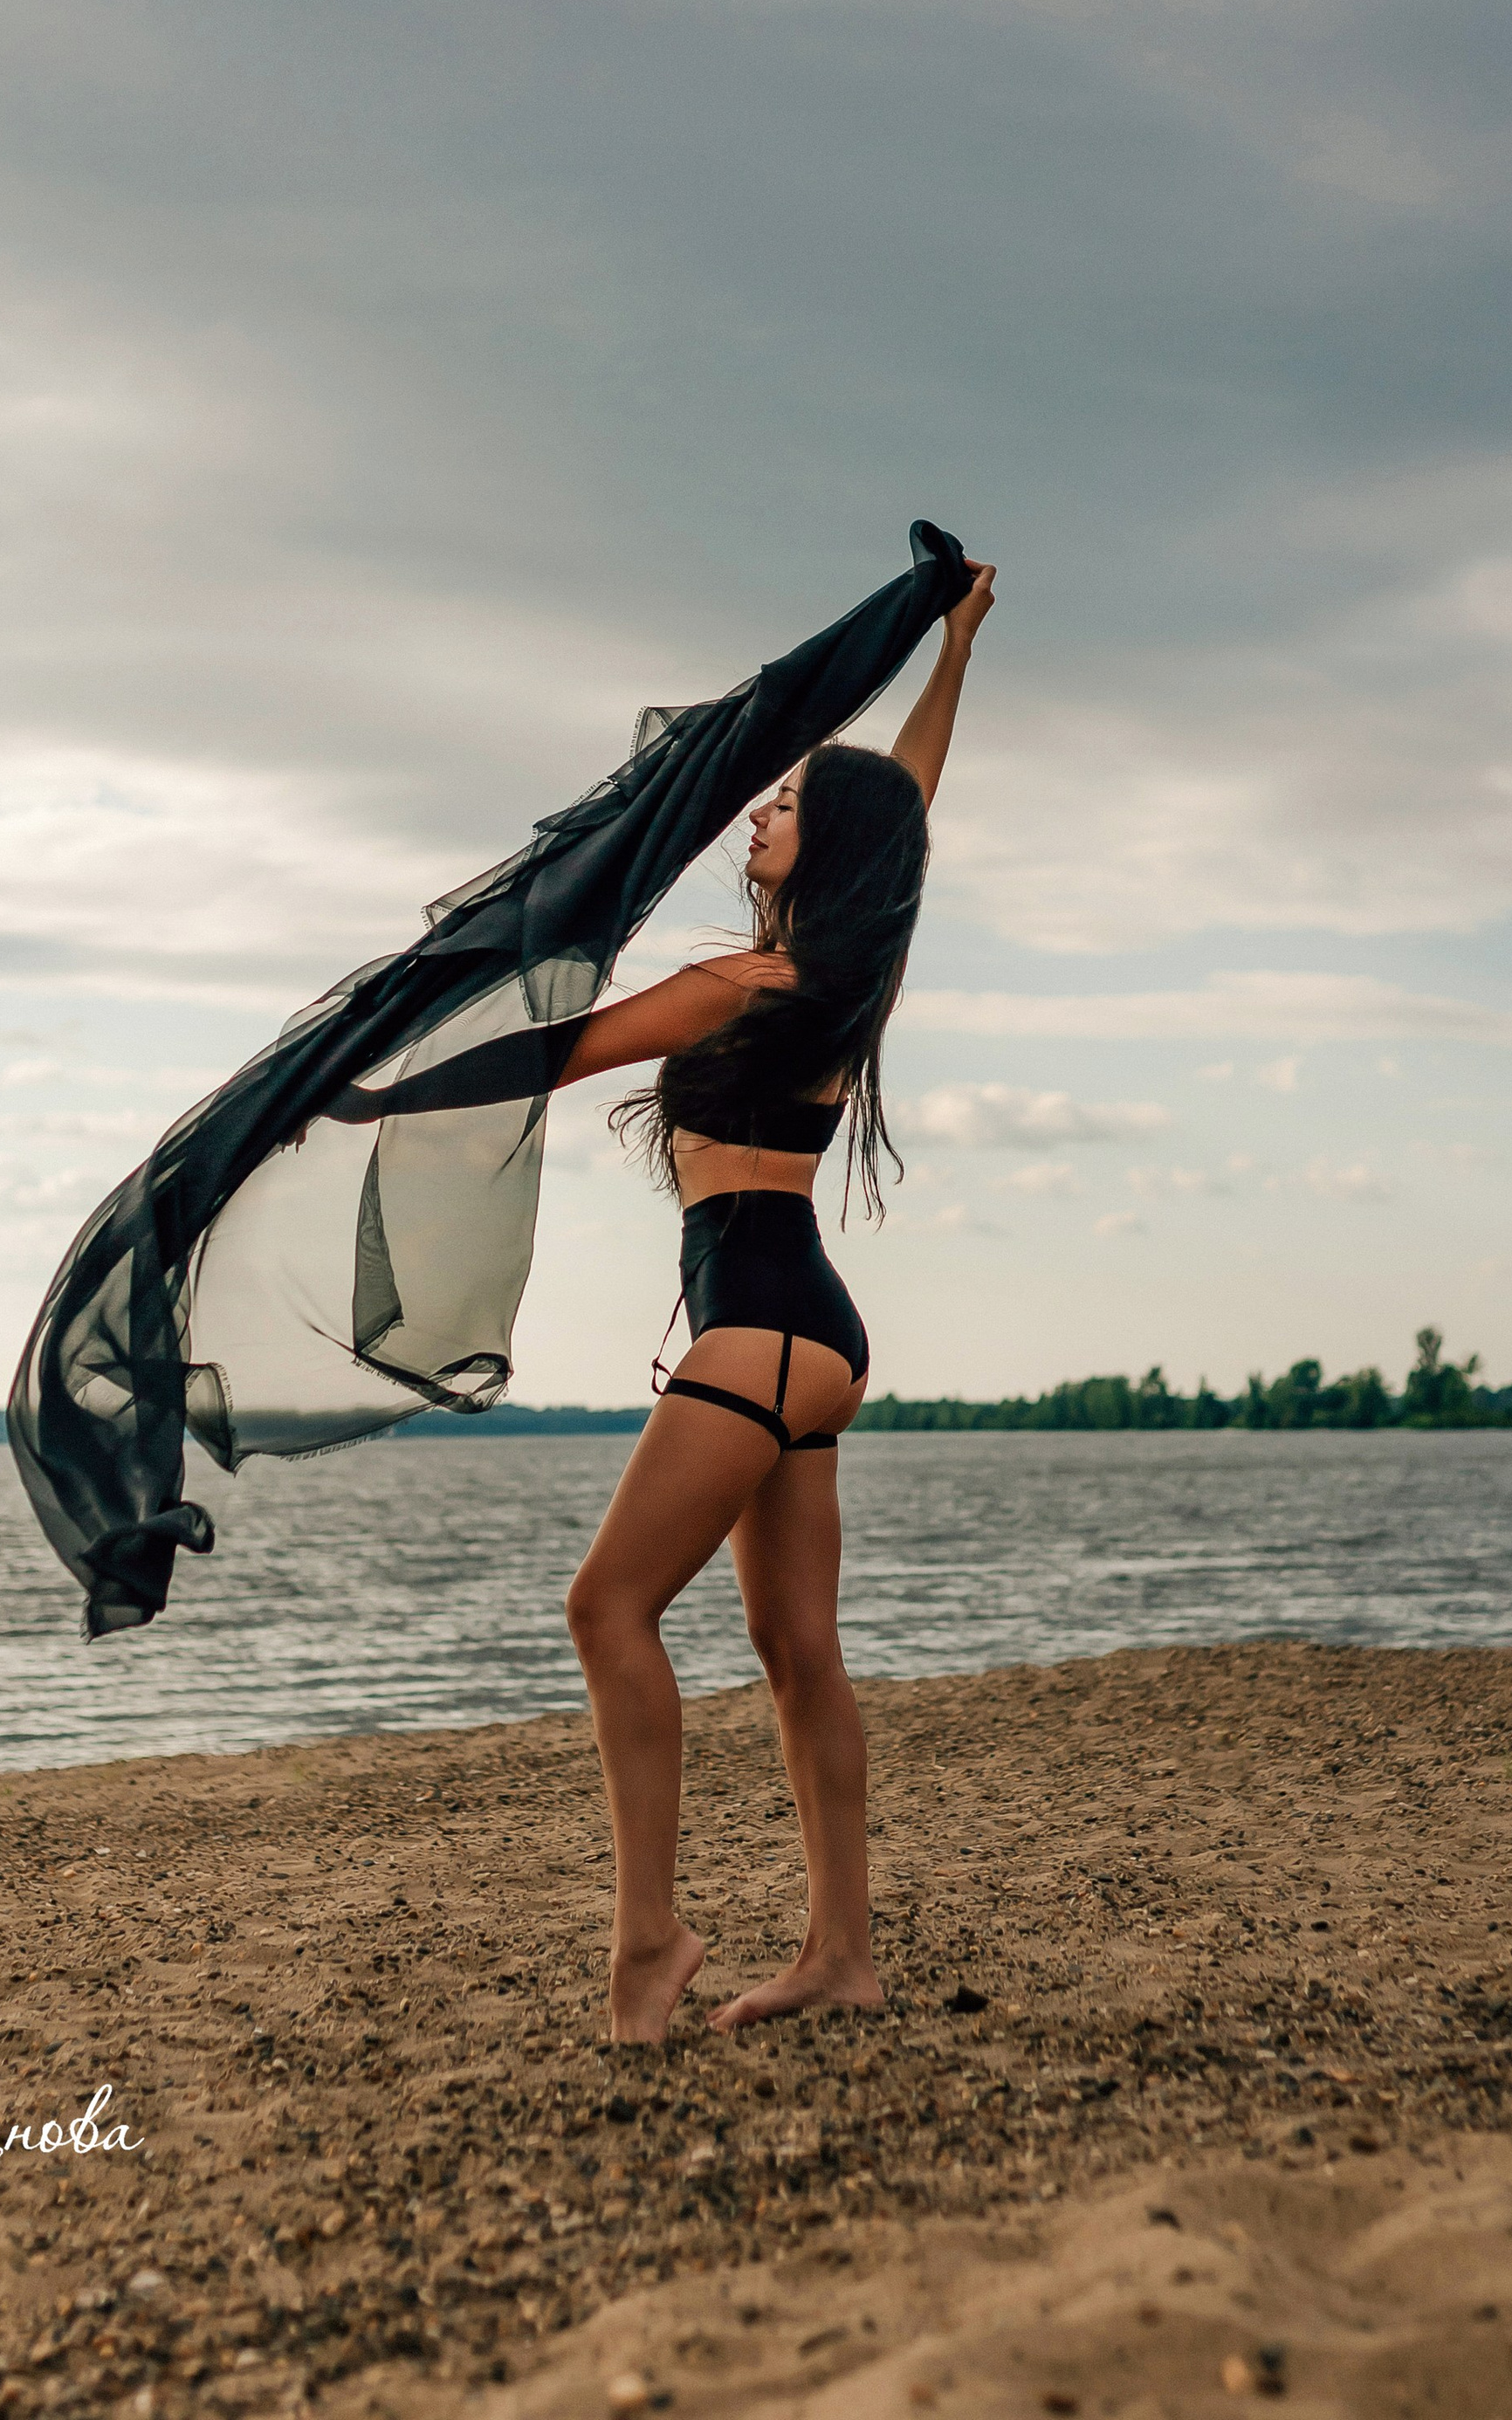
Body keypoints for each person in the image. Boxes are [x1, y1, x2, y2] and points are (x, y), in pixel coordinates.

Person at [550, 561, 996, 2042]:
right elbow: (902, 802)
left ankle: (647, 1943)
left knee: (607, 1607)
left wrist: (336, 1088)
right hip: (814, 1333)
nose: (759, 814)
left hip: (756, 1329)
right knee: (798, 1654)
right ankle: (840, 1955)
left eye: (784, 804)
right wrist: (956, 647)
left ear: (823, 847)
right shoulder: (846, 967)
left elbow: (547, 1058)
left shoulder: (745, 983)